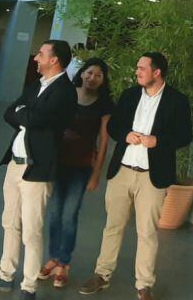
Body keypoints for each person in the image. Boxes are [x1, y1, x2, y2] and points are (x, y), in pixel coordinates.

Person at [79, 52, 193, 300]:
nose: (137, 71)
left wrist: (158, 141)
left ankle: (144, 285)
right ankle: (102, 274)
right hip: (122, 171)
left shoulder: (177, 101)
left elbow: (185, 136)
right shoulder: (130, 95)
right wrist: (126, 134)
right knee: (113, 226)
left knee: (147, 232)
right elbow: (113, 126)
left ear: (157, 72)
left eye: (142, 68)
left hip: (153, 177)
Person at [0, 40, 77, 300]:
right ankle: (4, 275)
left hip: (37, 169)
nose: (36, 58)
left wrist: (25, 113)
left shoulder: (65, 91)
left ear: (54, 60)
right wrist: (25, 113)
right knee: (10, 223)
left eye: (41, 54)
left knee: (31, 230)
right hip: (15, 164)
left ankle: (29, 287)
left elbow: (37, 119)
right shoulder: (36, 85)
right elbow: (10, 112)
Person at [37, 58, 114, 289]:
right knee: (54, 213)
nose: (92, 78)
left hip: (82, 167)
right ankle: (53, 257)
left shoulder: (105, 105)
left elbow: (103, 141)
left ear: (103, 80)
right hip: (58, 163)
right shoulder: (67, 94)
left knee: (69, 215)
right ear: (82, 73)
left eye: (98, 75)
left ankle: (64, 263)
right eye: (89, 73)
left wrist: (96, 174)